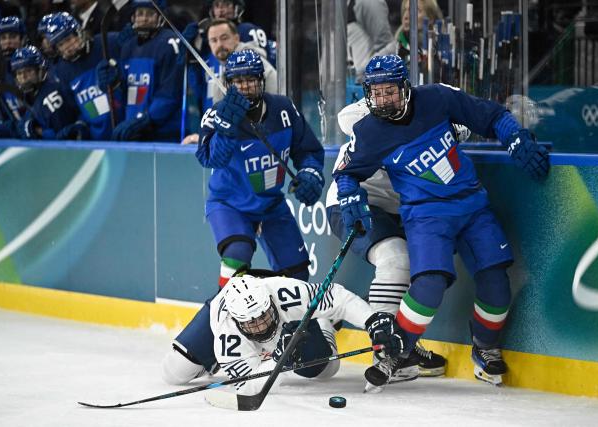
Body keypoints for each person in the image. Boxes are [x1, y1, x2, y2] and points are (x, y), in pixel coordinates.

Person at [332, 54, 550, 390]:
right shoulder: (369, 131)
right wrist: (350, 198)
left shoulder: (437, 98)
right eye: (376, 93)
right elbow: (347, 173)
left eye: (390, 91)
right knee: (428, 286)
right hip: (426, 216)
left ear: (405, 87)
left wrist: (514, 136)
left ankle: (486, 345)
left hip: (472, 207)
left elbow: (490, 115)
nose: (383, 99)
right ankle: (397, 352)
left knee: (497, 285)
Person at [326, 98, 474, 382]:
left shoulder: (424, 105)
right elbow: (347, 117)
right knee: (395, 259)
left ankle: (403, 345)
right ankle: (384, 351)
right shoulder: (373, 112)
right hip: (355, 202)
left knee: (423, 271)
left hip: (404, 208)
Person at [161, 272, 404, 401]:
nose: (261, 325)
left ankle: (323, 323)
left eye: (264, 314)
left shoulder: (282, 292)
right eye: (252, 322)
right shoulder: (228, 333)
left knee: (327, 370)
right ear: (237, 320)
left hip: (288, 327)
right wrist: (279, 359)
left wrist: (372, 322)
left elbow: (337, 297)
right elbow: (248, 388)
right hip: (220, 324)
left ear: (268, 301)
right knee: (174, 373)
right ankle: (217, 362)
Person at [196, 49, 323, 287]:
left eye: (250, 80)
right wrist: (226, 129)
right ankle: (227, 314)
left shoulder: (284, 109)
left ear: (261, 81)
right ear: (227, 84)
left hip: (272, 205)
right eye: (237, 81)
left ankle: (292, 323)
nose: (244, 87)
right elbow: (210, 159)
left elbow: (308, 150)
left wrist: (310, 174)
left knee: (297, 275)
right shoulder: (215, 115)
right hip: (230, 205)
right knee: (237, 255)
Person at [95, 0, 183, 142]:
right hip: (133, 130)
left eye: (150, 14)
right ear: (133, 18)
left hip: (163, 132)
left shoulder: (170, 43)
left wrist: (147, 118)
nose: (144, 18)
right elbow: (125, 92)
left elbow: (170, 93)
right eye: (140, 13)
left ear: (160, 17)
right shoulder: (128, 46)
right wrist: (113, 83)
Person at [181, 18, 278, 144]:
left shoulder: (250, 64)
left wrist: (204, 138)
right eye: (214, 40)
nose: (219, 44)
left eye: (224, 38)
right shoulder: (227, 70)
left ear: (237, 38)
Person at [45, 11, 124, 140]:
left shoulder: (110, 42)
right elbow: (77, 108)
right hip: (98, 140)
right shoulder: (62, 71)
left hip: (127, 131)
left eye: (69, 39)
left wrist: (120, 81)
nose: (67, 47)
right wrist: (81, 124)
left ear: (79, 32)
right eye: (60, 44)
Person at [10, 45, 87, 140]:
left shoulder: (52, 94)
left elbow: (62, 136)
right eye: (19, 73)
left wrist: (39, 132)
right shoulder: (33, 95)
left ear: (40, 71)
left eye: (28, 71)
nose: (23, 77)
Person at [205, 0, 277, 67]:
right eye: (217, 5)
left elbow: (261, 65)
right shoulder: (210, 34)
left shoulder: (247, 30)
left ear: (237, 8)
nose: (221, 10)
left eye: (226, 4)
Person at [347, 0, 394, 83]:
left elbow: (386, 47)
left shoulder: (369, 2)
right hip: (329, 86)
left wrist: (363, 73)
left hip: (359, 88)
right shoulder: (332, 5)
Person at [0, 16, 28, 125]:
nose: (8, 42)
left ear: (22, 39)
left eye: (13, 37)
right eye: (3, 38)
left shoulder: (36, 65)